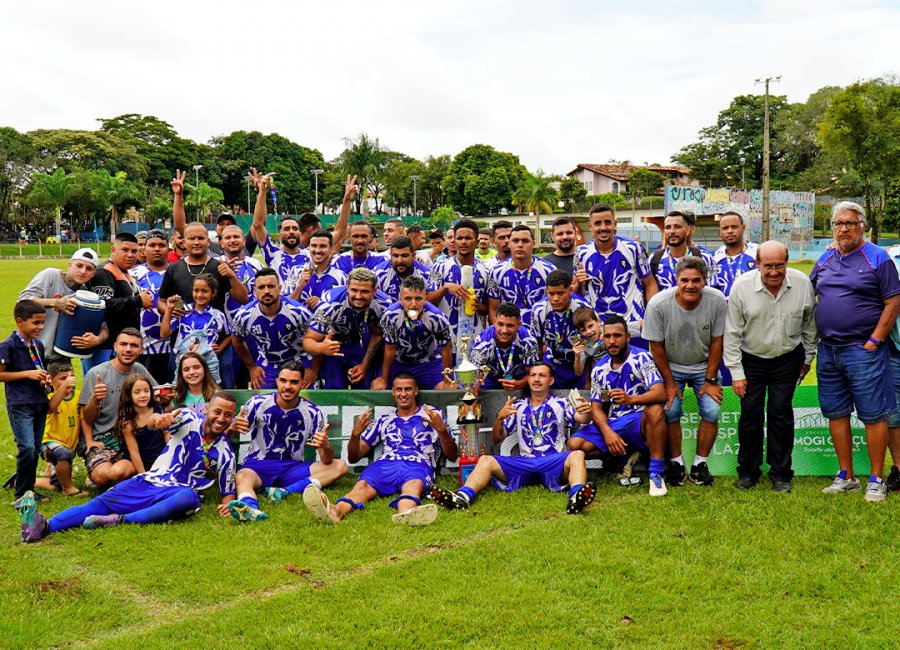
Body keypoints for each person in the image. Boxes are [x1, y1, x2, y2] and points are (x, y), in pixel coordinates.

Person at [17, 393, 245, 542]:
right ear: (206, 409)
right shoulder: (187, 418)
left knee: (188, 497)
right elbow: (159, 420)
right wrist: (160, 421)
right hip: (148, 481)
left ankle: (119, 520)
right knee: (97, 503)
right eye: (217, 411)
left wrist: (229, 505)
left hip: (178, 491)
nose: (221, 418)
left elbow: (228, 493)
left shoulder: (225, 453)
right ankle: (43, 526)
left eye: (228, 415)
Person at [811, 201, 900, 502]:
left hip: (864, 351)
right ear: (832, 227)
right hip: (829, 351)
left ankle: (876, 479)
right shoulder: (825, 258)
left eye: (850, 223)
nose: (844, 229)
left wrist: (874, 341)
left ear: (862, 225)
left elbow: (893, 302)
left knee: (874, 415)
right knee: (836, 413)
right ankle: (846, 476)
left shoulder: (877, 257)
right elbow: (809, 291)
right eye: (838, 224)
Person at [431, 362, 596, 513]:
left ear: (551, 381)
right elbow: (497, 438)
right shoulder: (518, 406)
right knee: (486, 460)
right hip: (525, 462)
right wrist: (500, 419)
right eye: (533, 375)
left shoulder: (561, 403)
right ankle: (462, 497)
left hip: (552, 460)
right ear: (528, 379)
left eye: (542, 375)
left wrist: (587, 412)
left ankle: (576, 498)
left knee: (577, 455)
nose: (537, 379)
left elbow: (582, 419)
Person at [303, 374, 456, 526]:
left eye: (408, 389)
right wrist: (355, 435)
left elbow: (452, 455)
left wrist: (442, 431)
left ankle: (406, 513)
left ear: (416, 391)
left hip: (417, 464)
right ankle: (335, 512)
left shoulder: (432, 415)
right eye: (399, 389)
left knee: (413, 484)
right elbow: (354, 457)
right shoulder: (385, 419)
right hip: (385, 464)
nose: (403, 394)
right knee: (362, 486)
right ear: (393, 392)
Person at [725, 241, 817, 492]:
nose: (774, 272)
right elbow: (731, 333)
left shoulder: (801, 284)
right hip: (751, 358)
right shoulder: (742, 287)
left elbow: (809, 324)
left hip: (788, 358)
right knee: (750, 415)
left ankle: (781, 474)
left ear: (787, 263)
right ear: (757, 264)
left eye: (780, 265)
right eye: (768, 266)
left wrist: (808, 359)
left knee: (780, 414)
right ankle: (747, 472)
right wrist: (737, 373)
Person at [642, 257, 727, 488]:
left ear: (704, 281)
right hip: (671, 366)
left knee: (711, 410)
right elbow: (656, 346)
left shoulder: (717, 301)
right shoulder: (658, 304)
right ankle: (677, 464)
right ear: (676, 280)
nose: (690, 285)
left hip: (703, 365)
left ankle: (700, 465)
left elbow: (718, 342)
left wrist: (710, 379)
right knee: (670, 411)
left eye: (696, 280)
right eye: (685, 280)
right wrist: (669, 383)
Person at [228, 363, 348, 522]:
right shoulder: (257, 403)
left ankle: (283, 492)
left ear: (302, 383)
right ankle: (250, 508)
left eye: (293, 382)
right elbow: (225, 438)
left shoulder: (312, 412)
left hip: (292, 468)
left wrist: (325, 445)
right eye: (283, 381)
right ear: (277, 381)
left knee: (340, 466)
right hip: (259, 466)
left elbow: (326, 460)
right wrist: (232, 428)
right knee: (242, 475)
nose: (287, 386)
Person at [567, 315, 668, 495]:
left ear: (628, 337)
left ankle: (656, 474)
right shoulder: (599, 368)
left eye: (617, 336)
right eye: (607, 336)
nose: (612, 341)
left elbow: (660, 393)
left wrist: (631, 399)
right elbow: (597, 407)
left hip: (639, 420)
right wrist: (608, 433)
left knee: (656, 410)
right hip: (616, 422)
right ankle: (624, 456)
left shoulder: (642, 357)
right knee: (575, 444)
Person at [160, 170, 249, 312]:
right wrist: (170, 310)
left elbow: (243, 299)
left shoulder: (219, 267)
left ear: (208, 241)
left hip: (216, 331)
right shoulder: (174, 268)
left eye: (200, 238)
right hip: (184, 331)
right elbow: (162, 302)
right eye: (191, 238)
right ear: (183, 241)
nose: (196, 242)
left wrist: (232, 275)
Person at [79, 328, 158, 489]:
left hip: (133, 439)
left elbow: (156, 395)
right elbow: (85, 417)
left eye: (134, 345)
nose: (128, 349)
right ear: (115, 346)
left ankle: (132, 473)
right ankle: (99, 474)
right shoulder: (97, 374)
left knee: (127, 470)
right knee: (103, 477)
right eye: (123, 344)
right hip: (103, 440)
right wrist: (95, 399)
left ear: (141, 350)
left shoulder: (140, 370)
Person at [574, 204, 658, 342]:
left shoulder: (633, 248)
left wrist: (651, 317)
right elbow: (578, 294)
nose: (603, 228)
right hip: (601, 330)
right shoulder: (581, 253)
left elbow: (649, 283)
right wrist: (579, 283)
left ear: (615, 224)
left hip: (634, 326)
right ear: (590, 226)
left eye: (607, 222)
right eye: (597, 223)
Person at [303, 267, 392, 390]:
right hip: (334, 346)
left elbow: (377, 335)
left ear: (374, 291)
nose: (358, 296)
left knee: (365, 389)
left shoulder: (384, 304)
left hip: (362, 343)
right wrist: (321, 348)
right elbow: (308, 340)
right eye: (354, 290)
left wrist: (365, 365)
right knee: (334, 391)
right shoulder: (330, 303)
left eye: (365, 291)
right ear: (347, 287)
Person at [1, 300, 52, 502]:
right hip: (20, 404)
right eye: (36, 323)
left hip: (39, 402)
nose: (40, 327)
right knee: (27, 448)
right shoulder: (8, 346)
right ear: (20, 322)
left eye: (42, 323)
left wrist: (44, 378)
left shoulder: (37, 345)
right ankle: (22, 493)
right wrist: (28, 374)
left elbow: (39, 369)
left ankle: (27, 488)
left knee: (35, 448)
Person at [231, 268, 313, 390]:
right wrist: (251, 367)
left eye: (271, 286)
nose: (266, 291)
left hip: (299, 361)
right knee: (263, 404)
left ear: (279, 288)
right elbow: (237, 340)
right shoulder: (244, 315)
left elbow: (317, 338)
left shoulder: (298, 312)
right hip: (267, 364)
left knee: (306, 402)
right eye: (261, 287)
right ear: (254, 290)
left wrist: (313, 369)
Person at [87, 232, 154, 372]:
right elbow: (104, 305)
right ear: (113, 250)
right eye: (125, 250)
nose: (130, 255)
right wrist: (138, 300)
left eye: (134, 251)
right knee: (104, 388)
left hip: (121, 347)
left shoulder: (124, 272)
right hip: (106, 347)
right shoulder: (104, 272)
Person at [18, 247, 100, 358]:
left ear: (93, 274)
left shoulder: (85, 295)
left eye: (89, 268)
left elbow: (102, 323)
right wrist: (56, 302)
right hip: (32, 352)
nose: (83, 271)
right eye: (79, 265)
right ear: (69, 265)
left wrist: (98, 339)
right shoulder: (50, 275)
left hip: (60, 357)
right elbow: (23, 302)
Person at [374, 276, 453, 390]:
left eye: (418, 298)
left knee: (449, 391)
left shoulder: (436, 317)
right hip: (398, 362)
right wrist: (384, 379)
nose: (413, 304)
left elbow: (446, 347)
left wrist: (447, 380)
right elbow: (390, 348)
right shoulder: (390, 316)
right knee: (378, 388)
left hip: (428, 363)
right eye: (408, 298)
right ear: (400, 299)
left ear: (425, 298)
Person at [426, 218, 490, 348]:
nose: (464, 242)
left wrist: (477, 306)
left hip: (475, 339)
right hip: (444, 339)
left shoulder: (486, 271)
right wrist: (445, 288)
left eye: (468, 238)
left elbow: (489, 309)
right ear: (454, 240)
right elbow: (428, 302)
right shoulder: (440, 267)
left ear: (476, 242)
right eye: (460, 238)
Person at [215, 223, 264, 388]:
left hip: (254, 333)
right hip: (227, 334)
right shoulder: (214, 265)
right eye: (227, 237)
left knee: (259, 379)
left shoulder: (256, 265)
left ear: (244, 240)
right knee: (232, 384)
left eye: (236, 237)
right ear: (221, 243)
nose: (232, 240)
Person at [526, 270, 591, 389]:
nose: (555, 298)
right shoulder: (538, 310)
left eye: (560, 293)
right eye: (551, 293)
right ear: (546, 292)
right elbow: (538, 343)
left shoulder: (582, 308)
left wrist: (588, 380)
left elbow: (591, 343)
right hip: (553, 364)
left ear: (570, 291)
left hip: (578, 363)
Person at [161, 273, 230, 383]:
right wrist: (169, 310)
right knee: (182, 394)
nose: (199, 295)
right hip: (184, 363)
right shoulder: (183, 311)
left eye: (204, 291)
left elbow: (229, 335)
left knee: (210, 394)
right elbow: (164, 334)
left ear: (213, 293)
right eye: (196, 290)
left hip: (209, 364)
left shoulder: (218, 315)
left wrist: (220, 348)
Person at [34, 360, 87, 497]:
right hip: (49, 442)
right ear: (50, 380)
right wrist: (64, 387)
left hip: (70, 446)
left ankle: (22, 479)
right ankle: (68, 489)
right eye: (63, 378)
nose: (68, 381)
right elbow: (51, 407)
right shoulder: (50, 397)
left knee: (54, 486)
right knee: (63, 453)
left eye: (70, 377)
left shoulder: (80, 396)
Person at [487, 225, 556, 324]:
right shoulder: (496, 272)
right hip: (509, 332)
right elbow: (493, 309)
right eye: (515, 241)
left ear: (533, 244)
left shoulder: (549, 270)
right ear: (509, 244)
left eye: (525, 241)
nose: (520, 245)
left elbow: (555, 305)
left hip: (541, 330)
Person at [130, 229, 172, 384]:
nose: (157, 249)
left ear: (169, 248)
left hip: (174, 345)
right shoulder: (133, 274)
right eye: (152, 245)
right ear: (144, 248)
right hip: (144, 346)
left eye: (161, 245)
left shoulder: (178, 270)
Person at [470, 302, 539, 391]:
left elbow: (533, 373)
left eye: (510, 325)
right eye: (500, 324)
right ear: (494, 322)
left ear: (519, 325)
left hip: (519, 380)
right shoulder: (483, 342)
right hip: (488, 381)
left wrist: (521, 383)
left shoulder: (529, 341)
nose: (504, 330)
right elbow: (475, 379)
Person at [649, 211, 716, 292]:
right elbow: (649, 288)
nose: (672, 231)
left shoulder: (705, 257)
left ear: (688, 230)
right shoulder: (654, 258)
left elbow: (712, 291)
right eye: (668, 227)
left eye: (677, 227)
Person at [116, 375, 169, 475]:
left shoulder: (156, 407)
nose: (143, 395)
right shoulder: (127, 422)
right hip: (139, 459)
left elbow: (166, 433)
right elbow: (134, 453)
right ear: (128, 395)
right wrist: (143, 476)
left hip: (159, 455)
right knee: (116, 472)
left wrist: (171, 452)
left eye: (146, 390)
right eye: (137, 392)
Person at [293, 229, 347, 311]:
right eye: (314, 246)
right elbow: (287, 305)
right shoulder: (296, 271)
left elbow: (344, 309)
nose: (317, 250)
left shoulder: (341, 277)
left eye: (323, 246)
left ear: (331, 249)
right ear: (309, 248)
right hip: (300, 323)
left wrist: (322, 303)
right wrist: (299, 286)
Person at [713, 211, 758, 297]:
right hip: (724, 308)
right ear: (719, 232)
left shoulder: (757, 252)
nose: (730, 231)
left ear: (743, 228)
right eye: (725, 228)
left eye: (734, 227)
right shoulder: (715, 257)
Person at [377, 236, 431, 301]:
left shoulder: (426, 274)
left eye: (404, 256)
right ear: (390, 255)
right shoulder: (379, 273)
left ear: (413, 256)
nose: (400, 260)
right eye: (395, 256)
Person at [571, 306, 606, 389]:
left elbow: (639, 326)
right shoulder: (583, 343)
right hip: (600, 378)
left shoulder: (610, 329)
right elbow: (578, 372)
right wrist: (577, 356)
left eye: (590, 326)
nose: (589, 332)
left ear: (598, 321)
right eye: (583, 330)